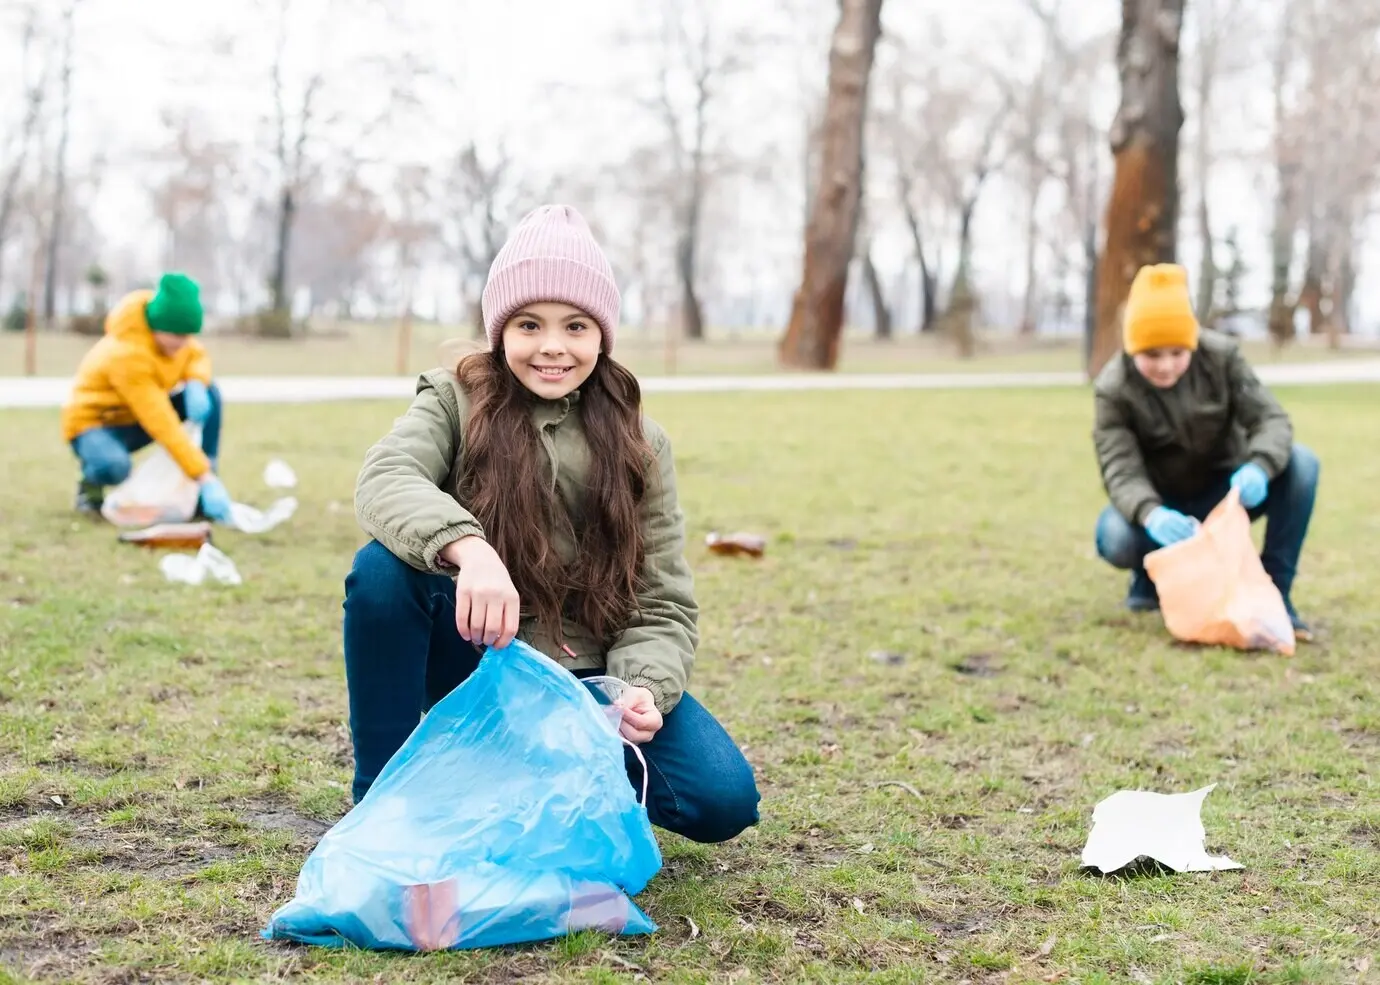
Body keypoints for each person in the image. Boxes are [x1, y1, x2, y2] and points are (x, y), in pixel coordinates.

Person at [345, 204, 761, 843]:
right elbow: (386, 476)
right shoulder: (453, 401)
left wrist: (636, 691)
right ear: (499, 330)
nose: (552, 347)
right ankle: (383, 805)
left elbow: (662, 602)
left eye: (575, 326)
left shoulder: (641, 443)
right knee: (380, 572)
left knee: (720, 798)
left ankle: (537, 776)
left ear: (602, 335)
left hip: (586, 682)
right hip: (481, 659)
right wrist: (469, 551)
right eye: (528, 324)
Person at [1092, 262, 1320, 640]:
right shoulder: (1113, 388)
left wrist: (1260, 467)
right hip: (1161, 503)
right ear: (1132, 349)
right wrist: (1151, 514)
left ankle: (1275, 593)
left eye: (1176, 352)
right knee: (1115, 537)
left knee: (1302, 464)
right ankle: (1148, 579)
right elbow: (1120, 467)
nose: (1166, 366)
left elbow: (1272, 420)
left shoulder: (1222, 358)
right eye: (1152, 354)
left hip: (1227, 494)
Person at [60, 272, 233, 522]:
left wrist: (196, 381)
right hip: (93, 424)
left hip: (132, 418)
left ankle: (200, 490)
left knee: (210, 391)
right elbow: (160, 421)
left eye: (188, 336)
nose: (183, 344)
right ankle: (90, 485)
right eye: (178, 336)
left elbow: (197, 355)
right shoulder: (127, 355)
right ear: (157, 326)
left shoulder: (177, 341)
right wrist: (203, 476)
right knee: (114, 467)